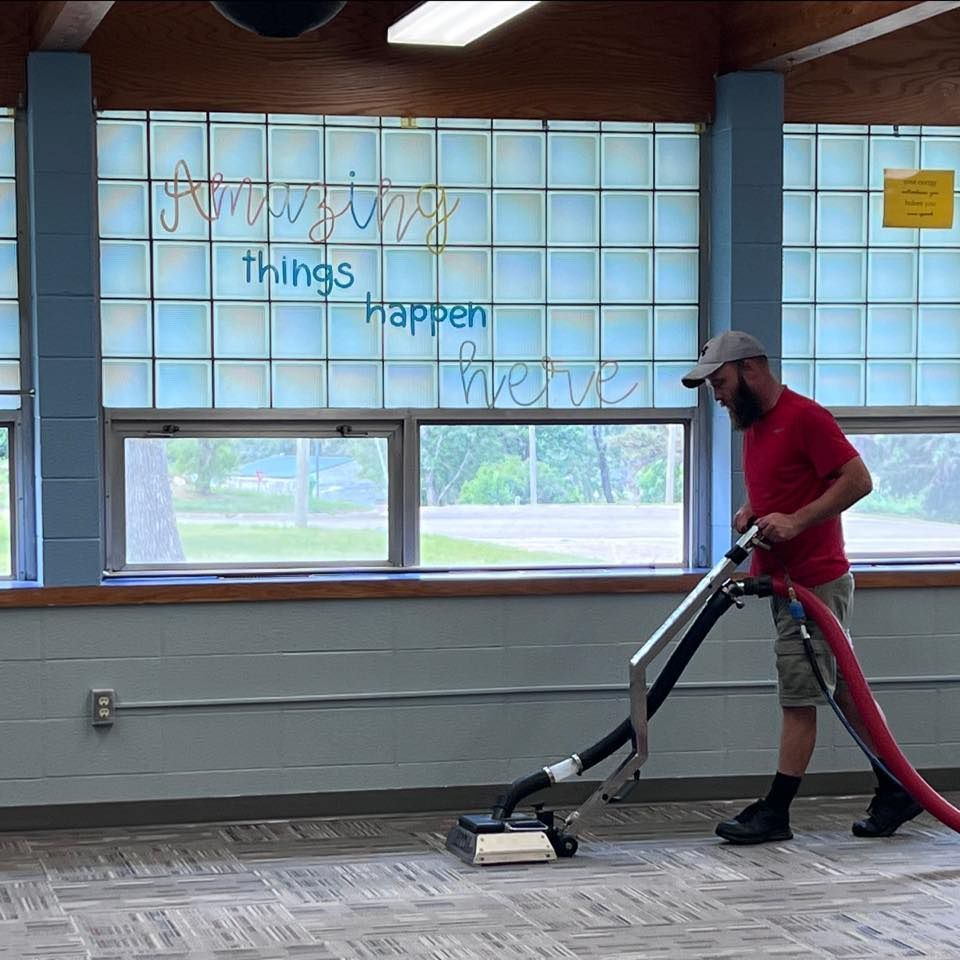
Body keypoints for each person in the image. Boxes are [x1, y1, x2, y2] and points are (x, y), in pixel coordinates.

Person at [682, 330, 923, 844]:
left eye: (720, 383)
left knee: (799, 696)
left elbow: (859, 480)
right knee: (844, 692)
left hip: (812, 582)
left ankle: (777, 811)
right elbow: (782, 483)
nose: (717, 396)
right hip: (784, 582)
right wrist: (753, 509)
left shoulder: (806, 417)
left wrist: (796, 521)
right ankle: (897, 787)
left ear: (751, 369)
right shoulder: (753, 422)